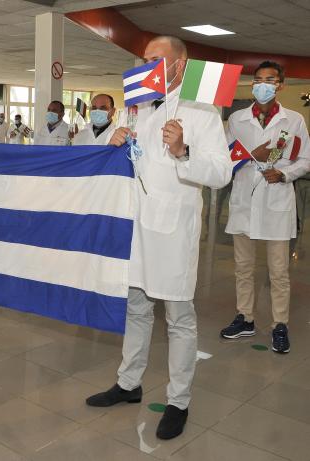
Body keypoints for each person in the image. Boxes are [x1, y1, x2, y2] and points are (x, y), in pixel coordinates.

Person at [85, 36, 231, 440]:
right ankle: (128, 383)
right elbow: (126, 161)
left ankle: (179, 401)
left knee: (179, 318)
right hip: (135, 226)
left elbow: (222, 172)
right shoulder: (137, 104)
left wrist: (184, 150)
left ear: (180, 65)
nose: (146, 65)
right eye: (144, 59)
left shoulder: (202, 110)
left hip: (172, 229)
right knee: (136, 307)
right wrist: (113, 141)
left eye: (156, 60)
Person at [221, 61, 310, 353]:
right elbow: (225, 158)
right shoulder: (237, 119)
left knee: (279, 272)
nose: (263, 85)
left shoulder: (294, 119)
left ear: (280, 84)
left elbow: (305, 159)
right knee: (243, 267)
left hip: (276, 198)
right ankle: (245, 318)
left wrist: (284, 174)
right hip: (245, 198)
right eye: (258, 79)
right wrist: (249, 156)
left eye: (270, 79)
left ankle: (279, 325)